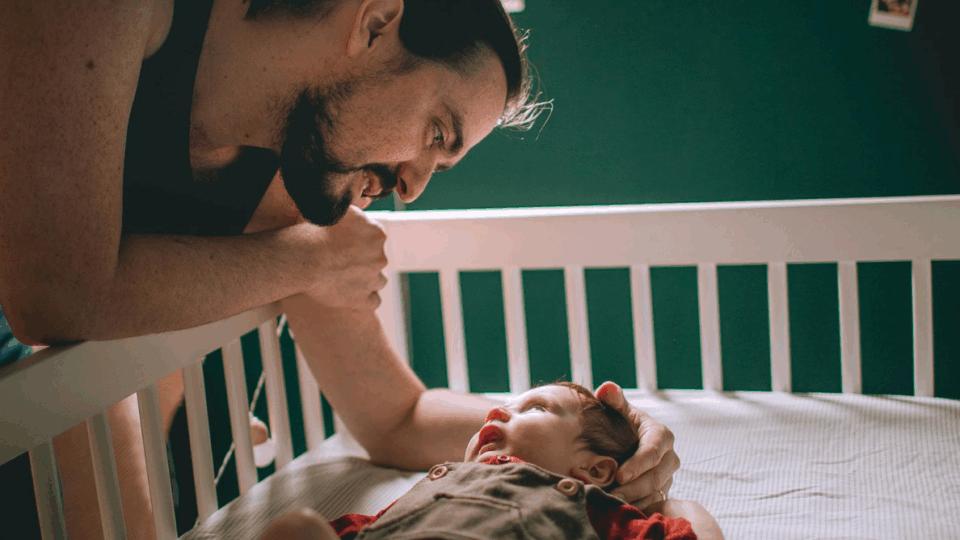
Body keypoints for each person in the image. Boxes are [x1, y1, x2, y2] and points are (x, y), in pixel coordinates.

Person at [1, 1, 679, 536]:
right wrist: (304, 262)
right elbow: (55, 293)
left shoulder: (286, 183)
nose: (412, 186)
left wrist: (596, 439)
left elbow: (398, 416)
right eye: (435, 134)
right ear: (376, 21)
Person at [260, 382, 722, 539]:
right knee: (297, 528)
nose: (498, 411)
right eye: (503, 406)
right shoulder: (437, 484)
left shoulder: (587, 505)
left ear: (594, 469)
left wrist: (672, 507)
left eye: (535, 408)